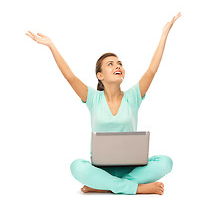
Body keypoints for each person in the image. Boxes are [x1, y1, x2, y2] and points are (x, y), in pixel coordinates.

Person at [25, 12, 181, 195]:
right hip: (100, 169)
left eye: (119, 63)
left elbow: (152, 70)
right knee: (77, 167)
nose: (117, 66)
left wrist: (164, 35)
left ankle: (105, 186)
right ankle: (134, 188)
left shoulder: (134, 96)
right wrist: (51, 45)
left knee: (166, 162)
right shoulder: (92, 98)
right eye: (110, 64)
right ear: (100, 76)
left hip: (132, 169)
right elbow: (69, 76)